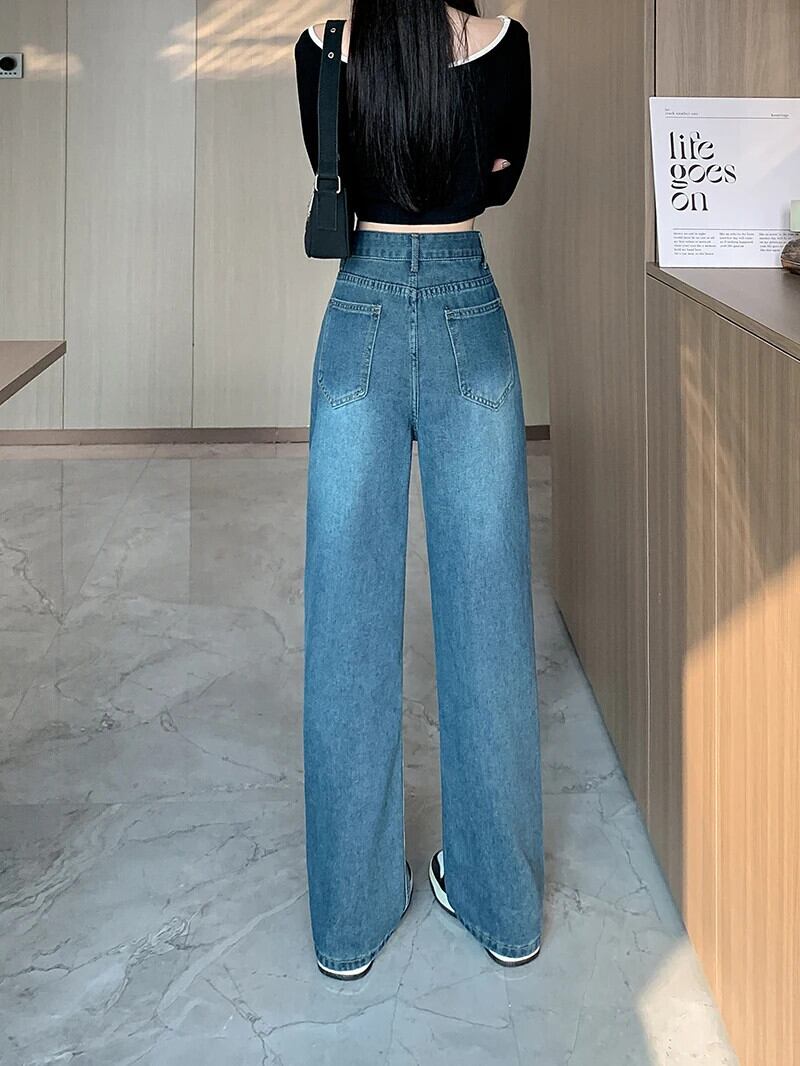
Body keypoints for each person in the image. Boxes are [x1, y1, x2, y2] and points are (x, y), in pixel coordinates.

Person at [293, 1, 544, 981]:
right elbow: (501, 176)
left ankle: (349, 920)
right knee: (490, 614)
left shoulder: (323, 47)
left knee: (344, 618)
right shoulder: (504, 42)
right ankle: (502, 905)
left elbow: (333, 169)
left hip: (358, 311)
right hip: (465, 307)